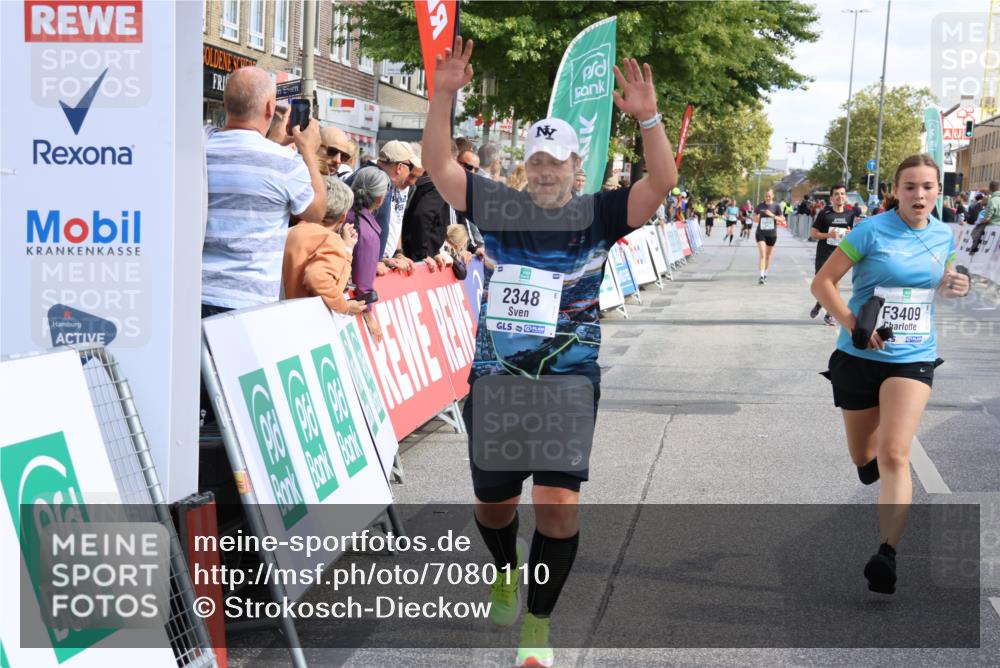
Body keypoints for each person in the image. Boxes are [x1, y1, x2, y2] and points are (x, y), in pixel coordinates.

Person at [423, 36, 677, 667]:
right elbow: (439, 167)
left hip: (568, 379)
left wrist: (648, 119)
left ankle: (537, 627)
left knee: (557, 507)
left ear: (575, 169)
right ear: (525, 168)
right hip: (498, 378)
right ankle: (505, 568)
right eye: (536, 161)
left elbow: (661, 182)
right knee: (494, 506)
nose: (544, 171)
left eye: (555, 162)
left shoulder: (600, 214)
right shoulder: (499, 206)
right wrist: (442, 96)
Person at [811, 153, 969, 595]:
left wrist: (956, 285)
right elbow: (822, 284)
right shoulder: (870, 230)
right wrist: (854, 325)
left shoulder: (943, 235)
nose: (919, 195)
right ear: (895, 191)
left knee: (895, 453)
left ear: (938, 191)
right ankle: (870, 461)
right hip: (859, 357)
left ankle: (886, 554)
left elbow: (943, 284)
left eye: (927, 187)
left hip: (912, 356)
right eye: (910, 187)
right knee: (864, 457)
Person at [202, 67, 327, 316]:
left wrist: (271, 142)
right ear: (270, 108)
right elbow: (316, 211)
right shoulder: (285, 163)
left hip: (193, 292)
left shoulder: (200, 144)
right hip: (249, 302)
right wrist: (308, 151)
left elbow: (242, 161)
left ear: (225, 104)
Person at [281, 178, 366, 316]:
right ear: (342, 217)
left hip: (278, 312)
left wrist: (347, 249)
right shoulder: (330, 239)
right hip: (303, 318)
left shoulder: (291, 231)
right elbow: (317, 277)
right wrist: (344, 306)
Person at [346, 167, 392, 344]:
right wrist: (369, 315)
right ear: (380, 199)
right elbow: (363, 285)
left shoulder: (343, 214)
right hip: (345, 304)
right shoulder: (368, 234)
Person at [809, 184, 856, 324]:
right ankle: (820, 302)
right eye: (836, 194)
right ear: (831, 198)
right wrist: (829, 235)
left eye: (842, 194)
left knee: (834, 283)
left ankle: (830, 314)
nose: (839, 196)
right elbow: (813, 234)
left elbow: (855, 233)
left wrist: (851, 233)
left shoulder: (850, 215)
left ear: (845, 196)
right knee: (822, 283)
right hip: (824, 254)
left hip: (841, 255)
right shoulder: (825, 214)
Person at [753, 189, 784, 284]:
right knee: (762, 254)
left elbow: (782, 220)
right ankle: (761, 276)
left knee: (768, 255)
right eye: (766, 196)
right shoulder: (760, 206)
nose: (767, 197)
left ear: (773, 196)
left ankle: (765, 274)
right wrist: (756, 218)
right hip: (760, 233)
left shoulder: (776, 206)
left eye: (769, 196)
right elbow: (754, 218)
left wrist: (772, 215)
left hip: (771, 234)